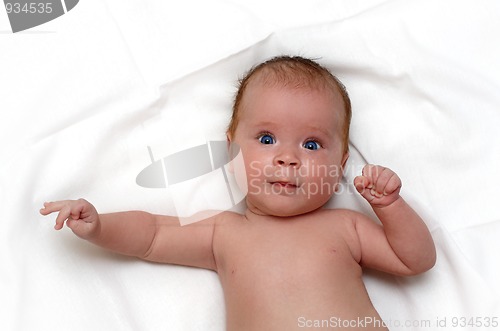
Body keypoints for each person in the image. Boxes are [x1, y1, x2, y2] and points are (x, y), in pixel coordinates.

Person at [40, 56, 436, 330]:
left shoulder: (347, 227)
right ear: (231, 152)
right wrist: (99, 225)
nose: (287, 158)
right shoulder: (224, 233)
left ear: (341, 164)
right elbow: (152, 235)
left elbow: (414, 259)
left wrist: (390, 206)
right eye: (266, 138)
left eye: (312, 145)